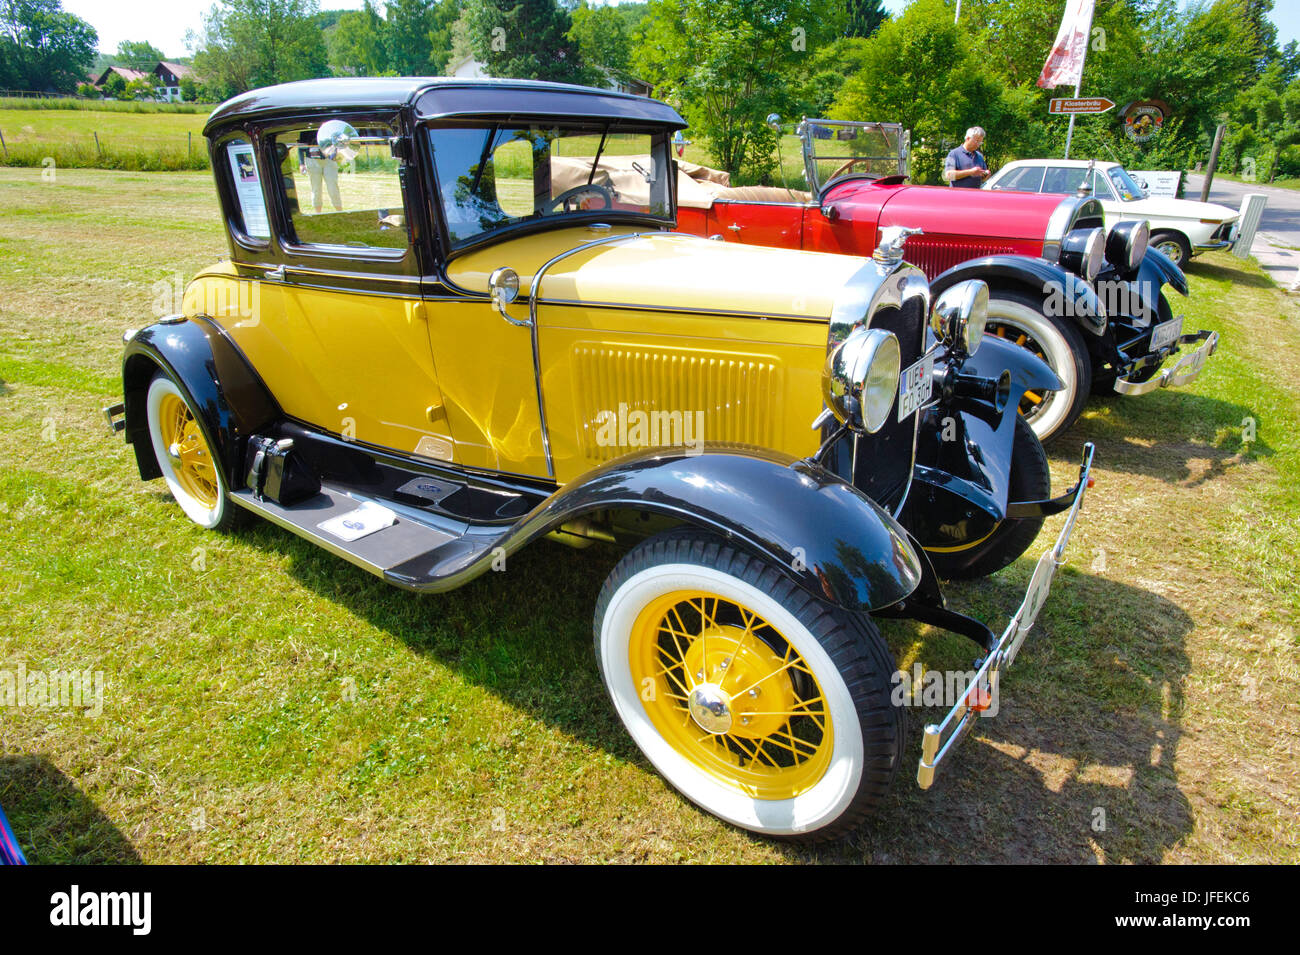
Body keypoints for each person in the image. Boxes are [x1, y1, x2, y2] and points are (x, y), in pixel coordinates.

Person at [297, 134, 343, 214]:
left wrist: (333, 155)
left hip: (328, 160)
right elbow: (301, 147)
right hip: (312, 160)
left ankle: (340, 212)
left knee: (333, 187)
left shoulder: (328, 126)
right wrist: (301, 164)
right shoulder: (307, 129)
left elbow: (335, 142)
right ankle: (318, 214)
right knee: (316, 188)